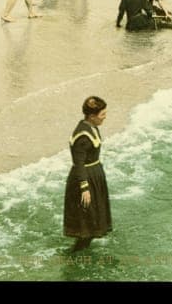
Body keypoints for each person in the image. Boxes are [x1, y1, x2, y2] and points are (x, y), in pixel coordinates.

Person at [63, 96, 112, 252]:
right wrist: (84, 188)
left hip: (94, 175)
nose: (104, 117)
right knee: (86, 226)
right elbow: (79, 164)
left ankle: (81, 251)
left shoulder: (91, 126)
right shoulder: (82, 136)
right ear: (92, 116)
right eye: (102, 114)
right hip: (85, 179)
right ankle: (75, 255)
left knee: (91, 223)